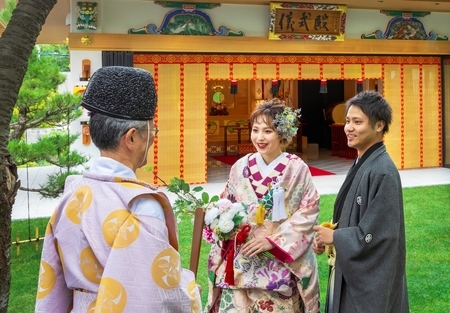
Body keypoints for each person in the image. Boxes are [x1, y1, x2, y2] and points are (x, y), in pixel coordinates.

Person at [35, 66, 202, 313]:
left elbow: (53, 278)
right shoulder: (140, 206)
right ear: (132, 138)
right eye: (152, 130)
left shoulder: (74, 191)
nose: (154, 138)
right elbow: (153, 297)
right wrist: (188, 287)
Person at [204, 99, 320, 313]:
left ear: (282, 134)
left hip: (277, 265)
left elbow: (308, 211)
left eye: (268, 131)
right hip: (241, 261)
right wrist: (221, 224)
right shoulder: (240, 167)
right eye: (255, 130)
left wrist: (273, 242)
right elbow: (226, 203)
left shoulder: (296, 169)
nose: (259, 137)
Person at [313, 90, 409, 313]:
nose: (348, 128)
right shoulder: (364, 163)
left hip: (370, 283)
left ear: (378, 126)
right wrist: (330, 238)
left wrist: (336, 236)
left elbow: (381, 235)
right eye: (347, 121)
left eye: (357, 122)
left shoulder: (382, 171)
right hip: (348, 268)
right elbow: (356, 216)